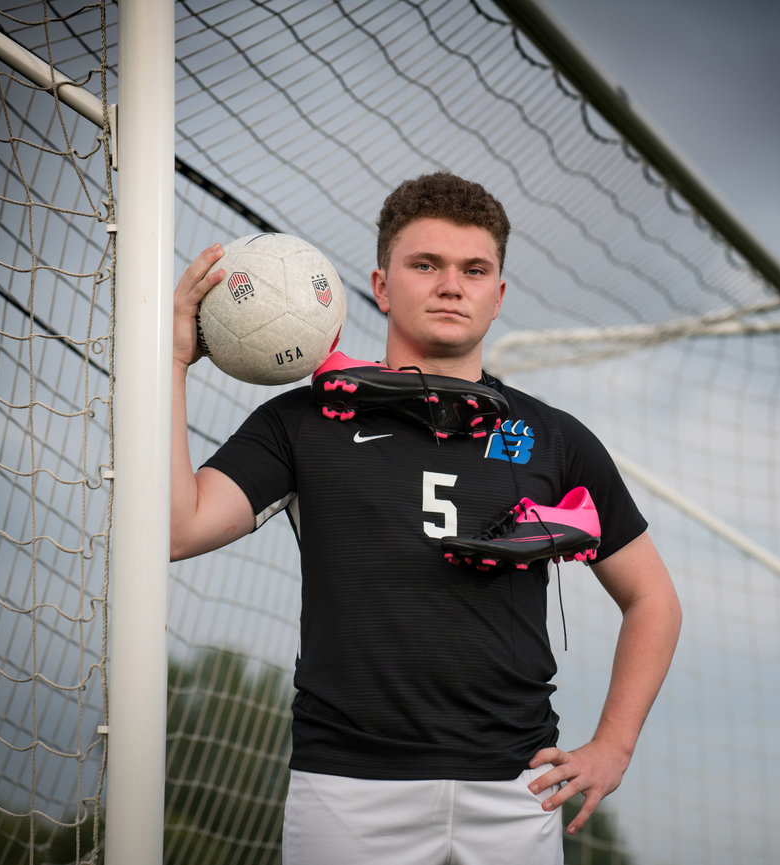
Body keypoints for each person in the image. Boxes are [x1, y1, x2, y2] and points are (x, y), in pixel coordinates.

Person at [169, 172, 681, 864]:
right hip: (348, 787)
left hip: (515, 788)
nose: (451, 285)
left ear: (498, 296)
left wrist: (613, 745)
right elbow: (178, 527)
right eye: (426, 265)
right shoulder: (303, 421)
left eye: (474, 269)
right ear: (381, 286)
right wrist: (171, 362)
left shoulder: (556, 438)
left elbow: (653, 597)